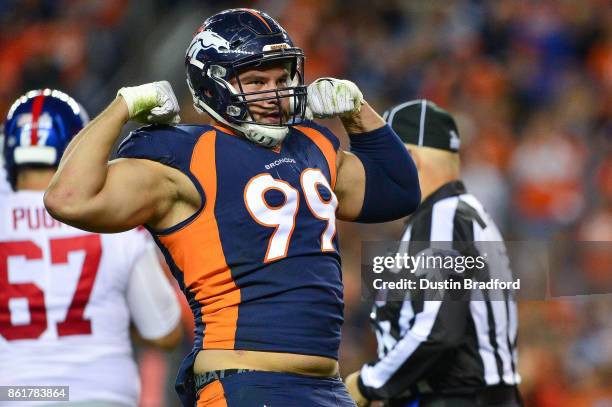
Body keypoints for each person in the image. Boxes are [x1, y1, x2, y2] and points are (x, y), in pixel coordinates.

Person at [43, 8, 421, 407]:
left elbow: (399, 190)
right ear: (212, 87)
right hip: (244, 382)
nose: (274, 94)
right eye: (257, 81)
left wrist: (357, 111)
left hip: (327, 386)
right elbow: (67, 197)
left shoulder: (313, 144)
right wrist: (123, 106)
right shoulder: (184, 156)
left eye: (281, 79)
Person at [0, 89, 183, 406]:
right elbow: (164, 331)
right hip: (100, 392)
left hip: (14, 393)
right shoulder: (117, 223)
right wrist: (111, 311)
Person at [345, 100, 522, 407]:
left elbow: (437, 330)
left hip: (456, 398)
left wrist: (367, 383)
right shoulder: (462, 214)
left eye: (381, 159)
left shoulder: (445, 216)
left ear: (408, 160)